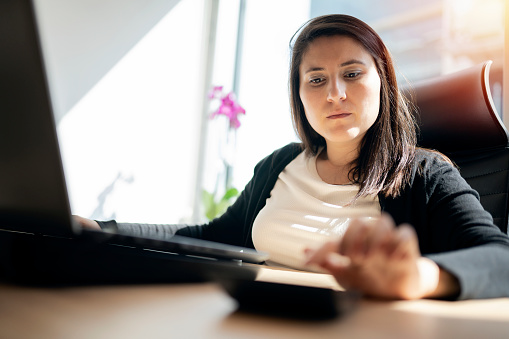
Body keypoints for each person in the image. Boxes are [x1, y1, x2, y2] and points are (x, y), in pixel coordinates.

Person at [75, 14, 509, 300]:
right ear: (299, 96)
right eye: (316, 79)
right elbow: (212, 234)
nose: (335, 93)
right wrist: (102, 229)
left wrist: (418, 277)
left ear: (383, 81)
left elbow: (500, 259)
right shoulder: (279, 165)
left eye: (352, 74)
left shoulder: (424, 173)